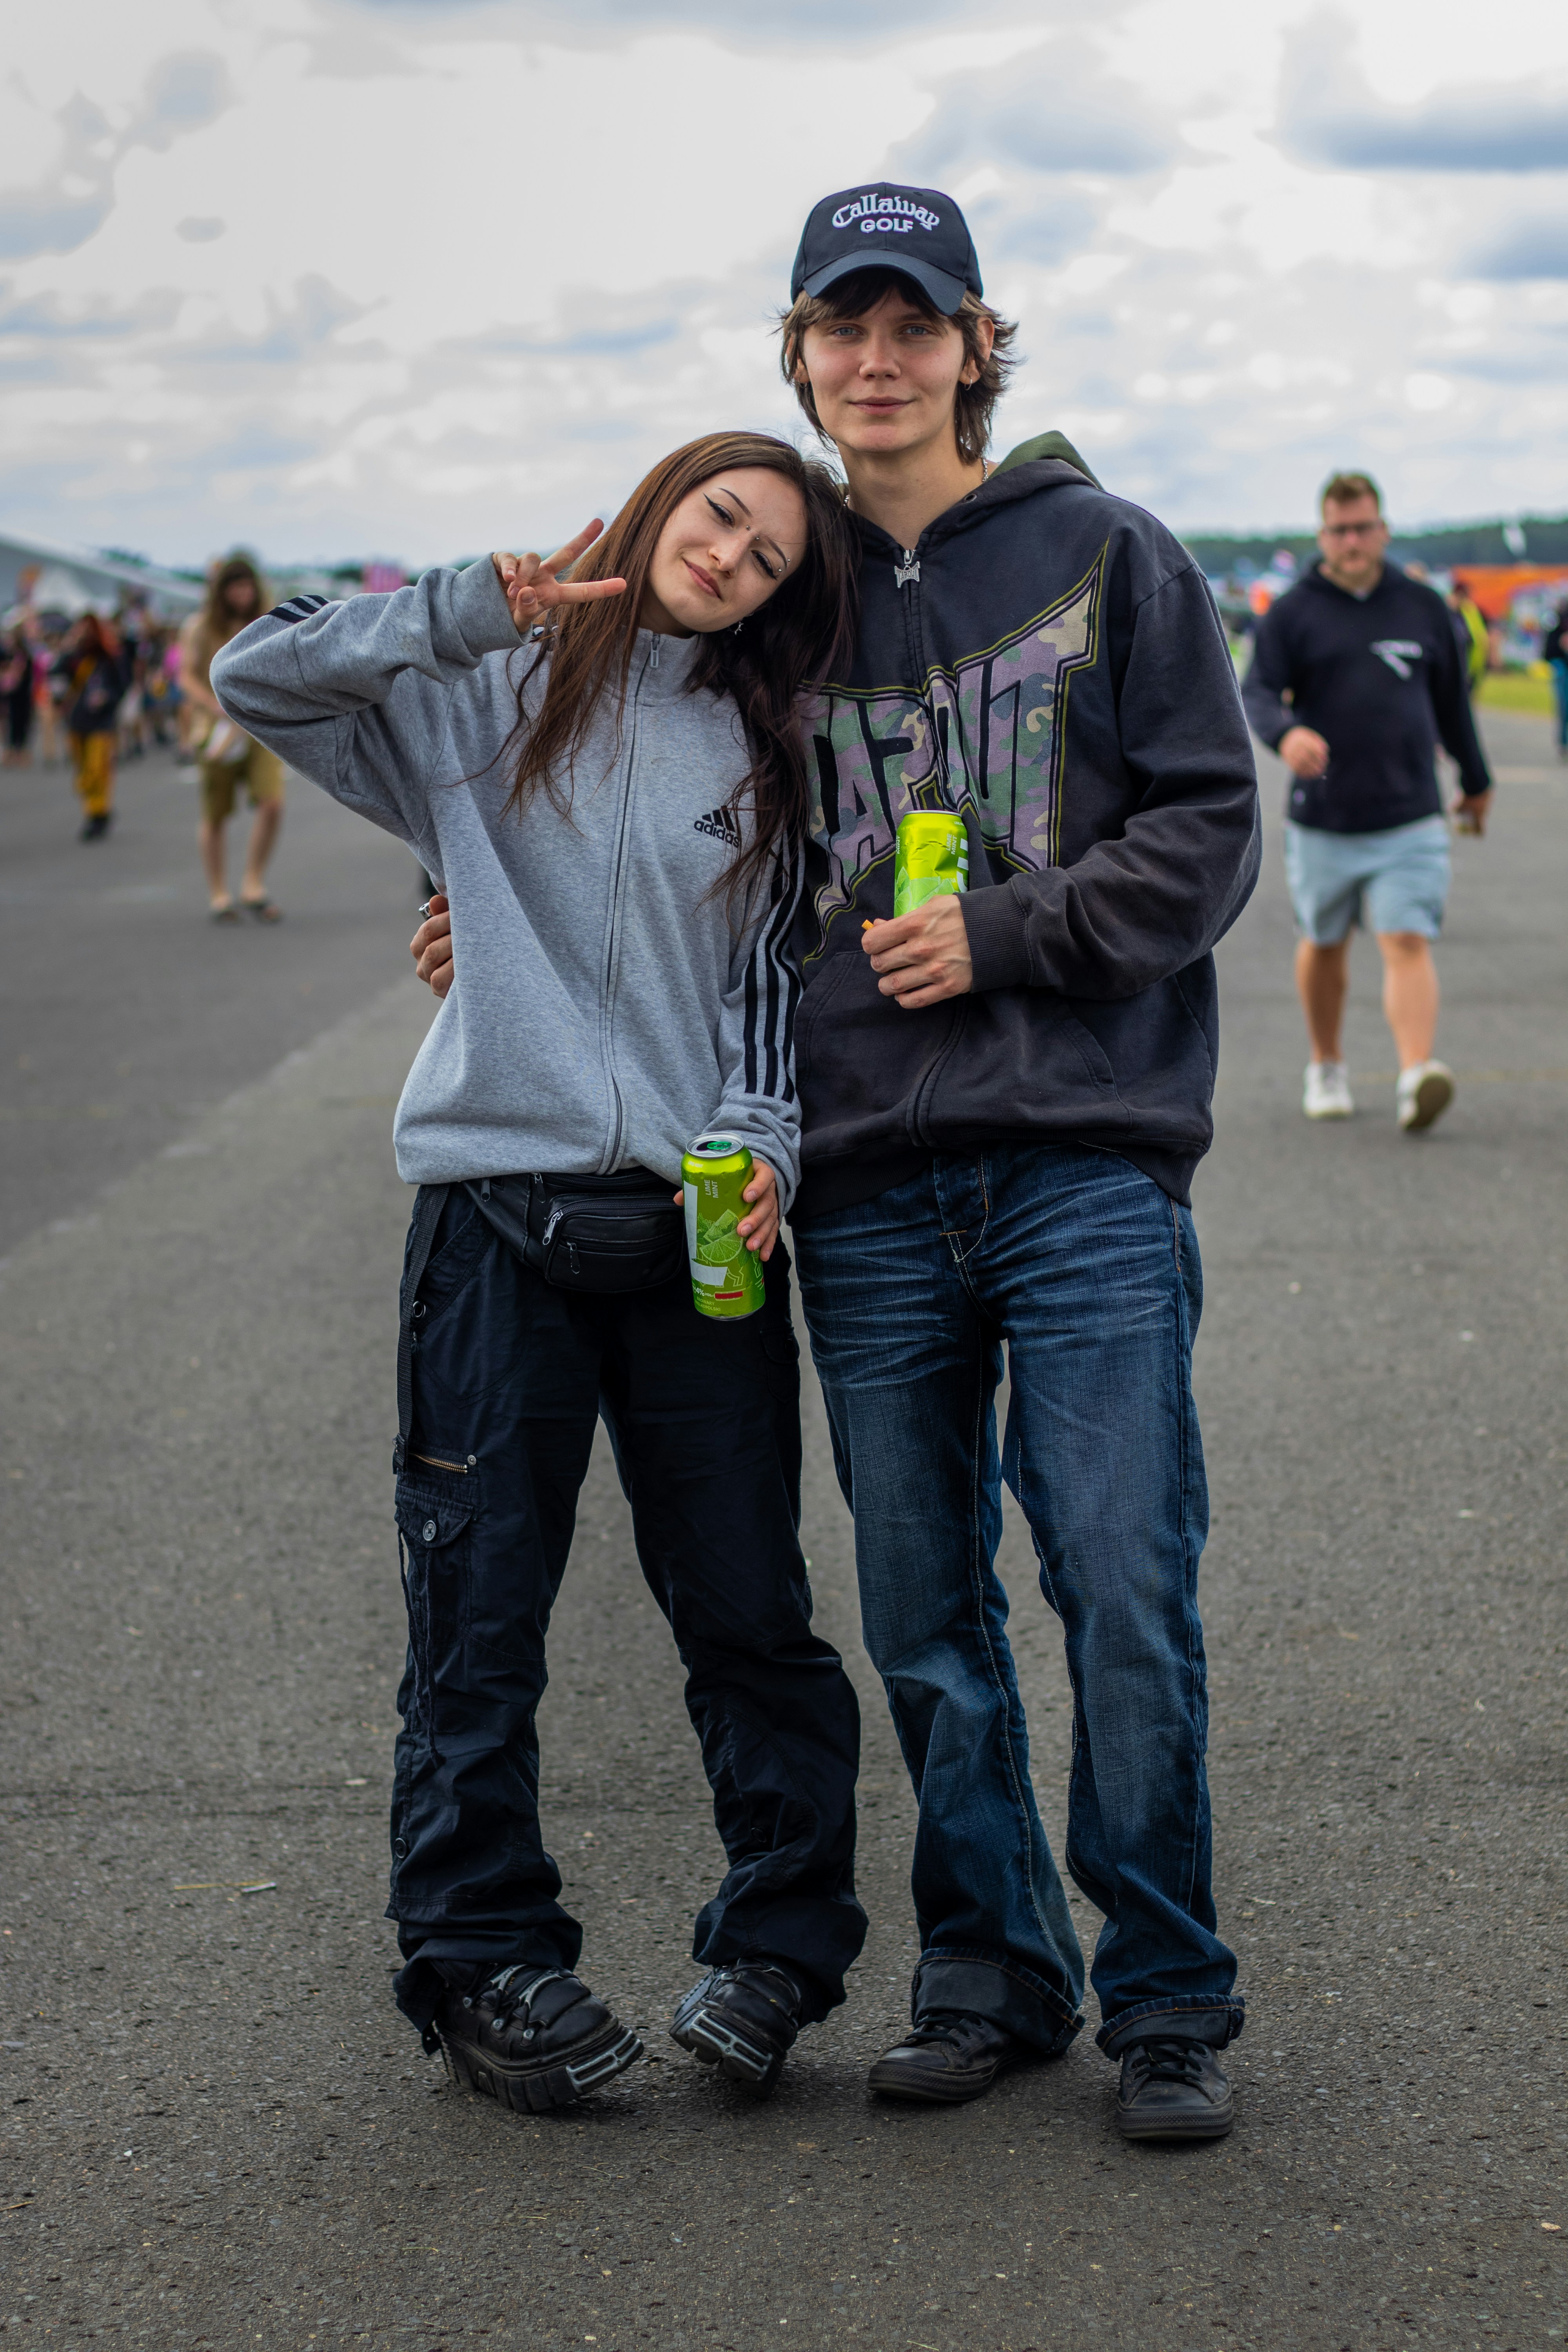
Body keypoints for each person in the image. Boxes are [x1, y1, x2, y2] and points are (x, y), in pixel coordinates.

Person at [417, 183, 1260, 2142]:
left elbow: (1208, 829)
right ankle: (988, 1970)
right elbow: (632, 829)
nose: (873, 361)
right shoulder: (768, 618)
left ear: (975, 345)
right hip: (865, 1191)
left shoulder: (1110, 555)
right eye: (837, 327)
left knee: (1119, 1575)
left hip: (1079, 1165)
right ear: (795, 352)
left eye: (913, 325)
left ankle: (1163, 1991)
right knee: (918, 1609)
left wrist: (1012, 932)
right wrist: (480, 914)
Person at [213, 431, 867, 2117]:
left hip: (690, 1242)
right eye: (723, 516)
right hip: (495, 1225)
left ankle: (778, 1946)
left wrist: (763, 1151)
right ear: (663, 500)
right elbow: (256, 676)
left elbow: (761, 1005)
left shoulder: (760, 743)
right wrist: (448, 606)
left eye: (770, 559)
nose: (732, 559)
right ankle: (479, 1952)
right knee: (476, 1621)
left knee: (748, 1610)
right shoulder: (478, 683)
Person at [1243, 472, 1494, 1131]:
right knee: (1324, 943)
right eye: (1339, 530)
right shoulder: (1294, 613)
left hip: (1410, 812)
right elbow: (1259, 693)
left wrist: (1477, 780)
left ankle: (1416, 1074)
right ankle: (1326, 1063)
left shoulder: (1424, 608)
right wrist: (1287, 733)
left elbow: (1452, 707)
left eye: (1363, 527)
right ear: (1323, 535)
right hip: (1324, 818)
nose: (1352, 541)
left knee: (1406, 937)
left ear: (1382, 529)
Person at [181, 556, 287, 920]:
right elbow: (186, 676)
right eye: (234, 587)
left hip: (260, 728)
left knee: (272, 802)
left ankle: (253, 882)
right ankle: (219, 893)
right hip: (215, 731)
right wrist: (213, 705)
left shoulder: (266, 624)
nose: (242, 594)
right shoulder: (201, 627)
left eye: (247, 586)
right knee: (216, 814)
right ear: (221, 591)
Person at [54, 612, 131, 839]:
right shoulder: (73, 657)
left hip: (101, 722)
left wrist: (106, 698)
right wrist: (67, 647)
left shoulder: (110, 657)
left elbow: (122, 685)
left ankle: (97, 813)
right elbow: (57, 677)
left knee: (96, 769)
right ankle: (96, 811)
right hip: (77, 721)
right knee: (83, 770)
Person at [1446, 581, 1489, 697]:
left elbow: (1479, 638)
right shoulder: (1446, 612)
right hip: (1453, 667)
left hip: (1470, 666)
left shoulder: (1470, 611)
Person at [0, 624, 33, 766]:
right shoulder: (10, 654)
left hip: (22, 694)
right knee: (14, 722)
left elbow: (26, 674)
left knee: (21, 723)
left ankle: (19, 752)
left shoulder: (24, 655)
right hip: (15, 694)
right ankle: (14, 752)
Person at [1544, 598, 1568, 761]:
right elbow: (1548, 653)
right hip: (1563, 672)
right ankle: (1564, 743)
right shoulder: (1556, 629)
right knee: (1564, 709)